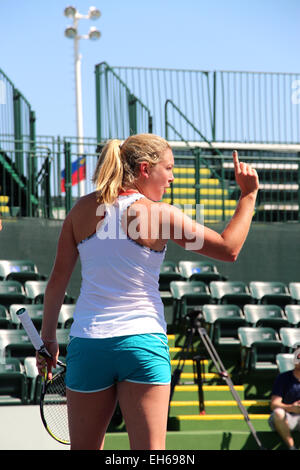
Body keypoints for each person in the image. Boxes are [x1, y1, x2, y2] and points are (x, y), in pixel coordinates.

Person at [36, 133, 259, 450]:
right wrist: (248, 196)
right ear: (144, 169)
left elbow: (57, 281)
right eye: (168, 168)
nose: (171, 177)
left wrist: (47, 338)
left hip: (89, 345)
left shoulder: (81, 210)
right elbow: (229, 248)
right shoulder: (160, 215)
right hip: (142, 343)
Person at [268, 347, 300, 450]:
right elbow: (274, 404)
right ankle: (292, 447)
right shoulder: (283, 378)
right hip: (287, 418)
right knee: (278, 412)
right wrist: (291, 407)